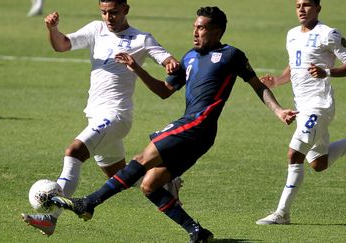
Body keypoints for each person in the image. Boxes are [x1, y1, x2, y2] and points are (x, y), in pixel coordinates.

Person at [47, 6, 297, 242]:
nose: (195, 32)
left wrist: (278, 111)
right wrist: (137, 69)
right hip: (195, 132)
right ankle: (196, 231)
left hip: (199, 124)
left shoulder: (231, 55)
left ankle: (89, 203)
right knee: (149, 185)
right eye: (194, 27)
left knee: (141, 159)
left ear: (217, 31)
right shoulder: (188, 57)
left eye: (201, 28)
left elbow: (258, 86)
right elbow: (164, 91)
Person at [21, 0, 183, 236]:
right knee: (119, 174)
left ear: (126, 9)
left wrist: (170, 64)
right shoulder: (96, 29)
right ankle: (168, 183)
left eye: (114, 12)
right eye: (104, 12)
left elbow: (167, 59)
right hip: (96, 116)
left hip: (116, 115)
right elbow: (63, 45)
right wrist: (52, 30)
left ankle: (51, 217)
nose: (109, 17)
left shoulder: (141, 39)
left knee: (73, 152)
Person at [256, 0, 346, 225]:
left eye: (307, 5)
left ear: (318, 8)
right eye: (297, 5)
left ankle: (282, 214)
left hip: (319, 105)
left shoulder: (329, 34)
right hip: (303, 106)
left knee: (294, 154)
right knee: (318, 163)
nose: (301, 9)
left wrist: (327, 71)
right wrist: (277, 81)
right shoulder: (292, 34)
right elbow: (294, 64)